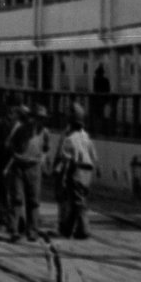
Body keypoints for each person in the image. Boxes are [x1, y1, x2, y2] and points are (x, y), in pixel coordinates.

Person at [51, 103, 97, 241]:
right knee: (79, 200)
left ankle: (83, 229)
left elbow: (65, 160)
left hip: (75, 170)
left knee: (77, 202)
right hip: (88, 171)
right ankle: (69, 229)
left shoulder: (69, 139)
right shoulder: (86, 137)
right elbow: (94, 156)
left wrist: (59, 174)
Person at [4, 105, 45, 241]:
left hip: (34, 167)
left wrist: (39, 159)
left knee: (34, 201)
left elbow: (46, 148)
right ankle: (14, 230)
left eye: (42, 119)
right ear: (32, 118)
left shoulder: (44, 132)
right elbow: (9, 144)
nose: (40, 121)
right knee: (17, 199)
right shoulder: (21, 129)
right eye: (38, 118)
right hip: (19, 167)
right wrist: (17, 156)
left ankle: (32, 231)